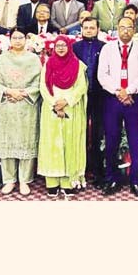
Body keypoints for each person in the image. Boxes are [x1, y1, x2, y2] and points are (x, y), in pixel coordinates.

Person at [0, 29, 41, 196]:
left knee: (26, 141)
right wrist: (8, 92)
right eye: (14, 38)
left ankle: (24, 180)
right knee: (7, 142)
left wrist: (24, 93)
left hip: (27, 106)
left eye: (21, 37)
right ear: (10, 40)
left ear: (26, 39)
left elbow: (39, 83)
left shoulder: (33, 59)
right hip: (7, 105)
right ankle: (9, 180)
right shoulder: (2, 59)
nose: (17, 40)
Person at [98, 17, 138, 198]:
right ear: (117, 29)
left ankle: (136, 181)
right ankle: (112, 179)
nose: (126, 31)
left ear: (134, 29)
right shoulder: (107, 48)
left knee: (135, 142)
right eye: (122, 27)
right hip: (112, 99)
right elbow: (102, 75)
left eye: (129, 27)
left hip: (133, 100)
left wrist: (128, 91)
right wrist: (118, 92)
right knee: (111, 141)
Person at [38, 35, 88, 198]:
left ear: (69, 47)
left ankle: (68, 182)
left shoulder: (78, 65)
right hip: (51, 109)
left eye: (64, 45)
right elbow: (43, 86)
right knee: (51, 144)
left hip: (71, 109)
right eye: (58, 45)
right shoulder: (48, 64)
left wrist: (66, 101)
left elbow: (81, 87)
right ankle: (52, 183)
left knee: (70, 143)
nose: (60, 48)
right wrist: (54, 104)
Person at [72, 17, 106, 187]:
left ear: (98, 29)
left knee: (98, 135)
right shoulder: (74, 47)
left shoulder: (105, 47)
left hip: (100, 96)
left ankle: (98, 173)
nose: (89, 30)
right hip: (79, 96)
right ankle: (80, 171)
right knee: (80, 133)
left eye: (92, 27)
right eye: (86, 27)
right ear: (81, 29)